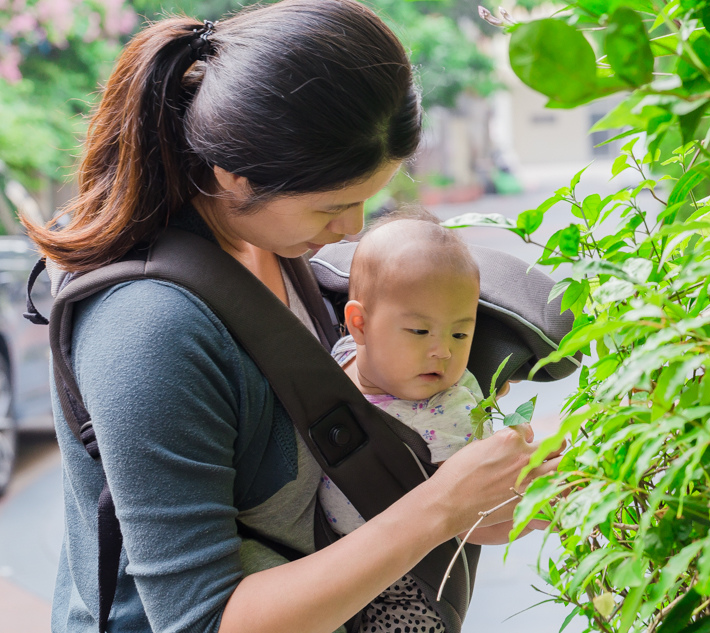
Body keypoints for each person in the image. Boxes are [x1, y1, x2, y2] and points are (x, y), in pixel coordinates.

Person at [22, 2, 559, 632]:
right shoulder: (148, 329)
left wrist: (483, 492)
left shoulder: (269, 244)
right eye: (332, 206)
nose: (352, 229)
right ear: (232, 172)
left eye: (368, 199)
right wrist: (443, 507)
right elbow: (203, 621)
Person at [320, 212, 507, 633]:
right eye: (420, 332)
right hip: (320, 558)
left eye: (460, 335)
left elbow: (474, 515)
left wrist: (529, 514)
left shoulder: (451, 411)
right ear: (359, 324)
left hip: (403, 583)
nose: (442, 351)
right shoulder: (338, 356)